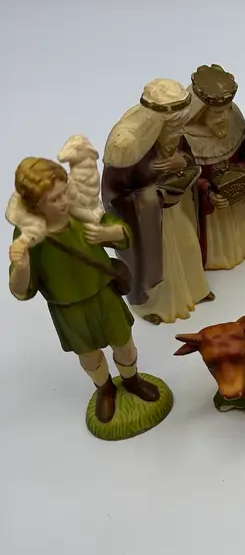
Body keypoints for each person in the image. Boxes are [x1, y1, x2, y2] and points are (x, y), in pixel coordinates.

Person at [7, 157, 159, 424]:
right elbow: (22, 291)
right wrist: (21, 266)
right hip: (69, 308)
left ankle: (131, 380)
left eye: (64, 191)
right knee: (89, 357)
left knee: (124, 344)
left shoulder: (81, 211)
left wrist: (109, 234)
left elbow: (124, 233)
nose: (64, 201)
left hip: (104, 294)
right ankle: (105, 389)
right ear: (35, 205)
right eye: (54, 199)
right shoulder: (30, 237)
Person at [101, 79, 213, 325]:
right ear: (158, 124)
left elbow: (190, 160)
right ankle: (153, 305)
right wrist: (153, 196)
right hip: (147, 221)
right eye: (174, 126)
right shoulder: (129, 148)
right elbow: (114, 195)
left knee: (189, 245)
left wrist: (183, 161)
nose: (179, 131)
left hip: (175, 208)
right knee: (161, 260)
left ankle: (195, 289)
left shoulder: (176, 137)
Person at [183, 64, 245, 270]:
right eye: (217, 114)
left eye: (226, 110)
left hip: (240, 200)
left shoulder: (234, 120)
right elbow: (187, 179)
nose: (225, 118)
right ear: (200, 113)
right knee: (220, 249)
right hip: (214, 214)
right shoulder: (186, 137)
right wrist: (207, 192)